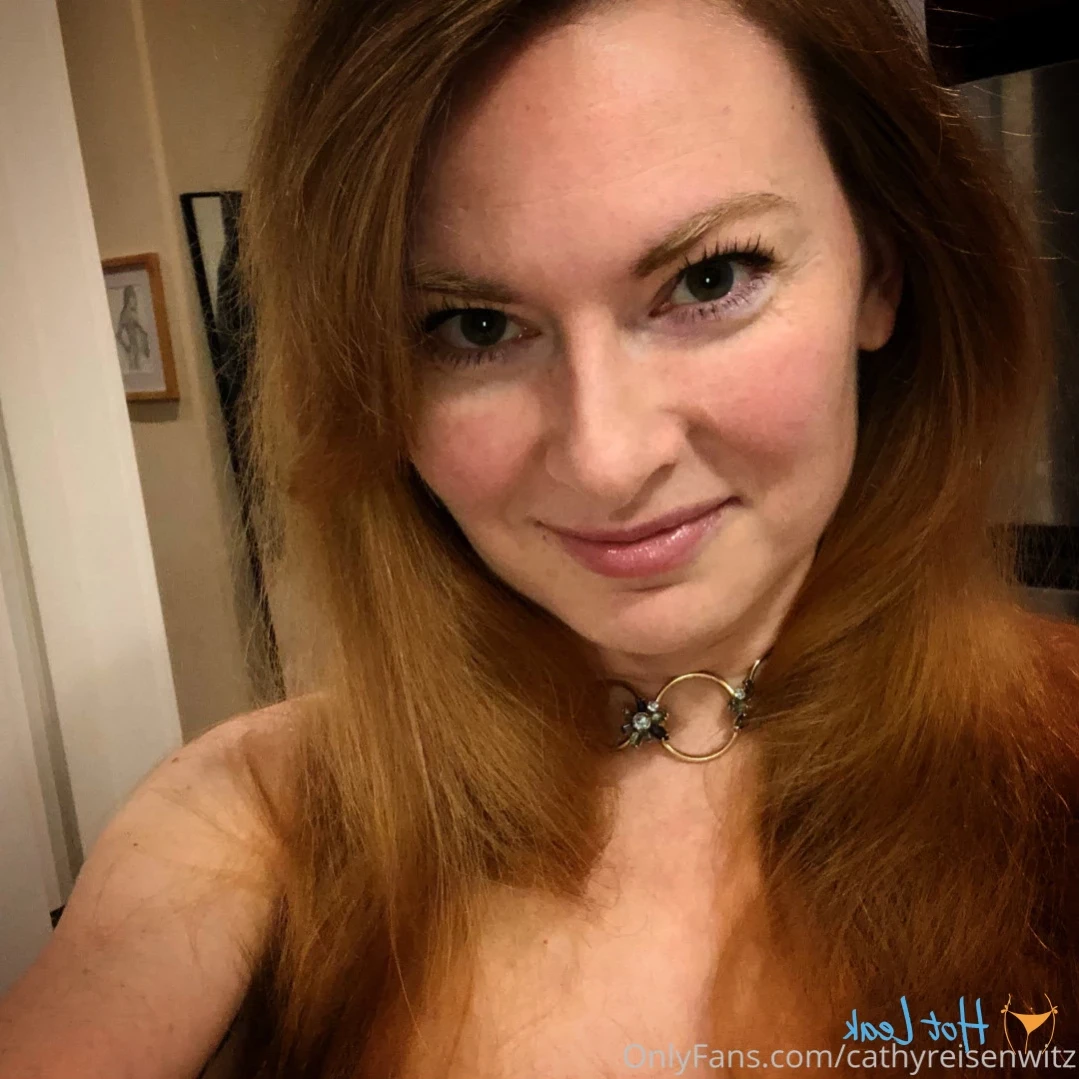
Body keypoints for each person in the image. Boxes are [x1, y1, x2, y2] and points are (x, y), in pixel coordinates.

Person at [3, 0, 1079, 1075]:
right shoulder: (266, 818)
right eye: (474, 327)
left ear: (879, 270)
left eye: (708, 279)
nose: (605, 458)